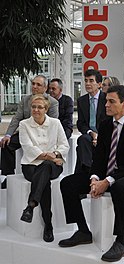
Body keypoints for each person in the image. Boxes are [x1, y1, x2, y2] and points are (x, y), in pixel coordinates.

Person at [58, 85, 124, 262]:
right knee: (67, 183)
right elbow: (99, 158)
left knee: (119, 187)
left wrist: (106, 181)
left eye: (111, 101)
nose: (106, 104)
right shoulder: (105, 124)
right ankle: (83, 231)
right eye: (106, 100)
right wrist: (94, 179)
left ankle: (121, 242)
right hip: (108, 173)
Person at [19, 94, 69, 242]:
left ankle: (31, 206)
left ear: (46, 109)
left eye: (40, 107)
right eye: (33, 107)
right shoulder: (24, 124)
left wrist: (54, 155)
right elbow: (28, 147)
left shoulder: (55, 123)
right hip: (31, 165)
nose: (36, 110)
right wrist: (51, 156)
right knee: (44, 180)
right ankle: (48, 224)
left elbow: (64, 145)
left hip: (52, 165)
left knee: (46, 168)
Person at [0, 75, 58, 188]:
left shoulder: (53, 102)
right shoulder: (25, 99)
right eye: (33, 84)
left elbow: (53, 124)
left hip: (43, 136)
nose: (34, 87)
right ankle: (7, 177)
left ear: (45, 88)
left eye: (38, 84)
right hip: (25, 132)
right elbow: (17, 118)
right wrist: (8, 134)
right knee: (6, 144)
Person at [74, 69, 107, 174]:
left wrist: (98, 136)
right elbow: (81, 123)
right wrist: (91, 133)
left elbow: (110, 121)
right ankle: (89, 170)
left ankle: (83, 172)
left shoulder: (106, 99)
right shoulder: (81, 100)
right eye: (86, 80)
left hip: (104, 134)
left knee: (81, 147)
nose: (87, 83)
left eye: (91, 81)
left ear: (99, 84)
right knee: (83, 139)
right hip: (89, 134)